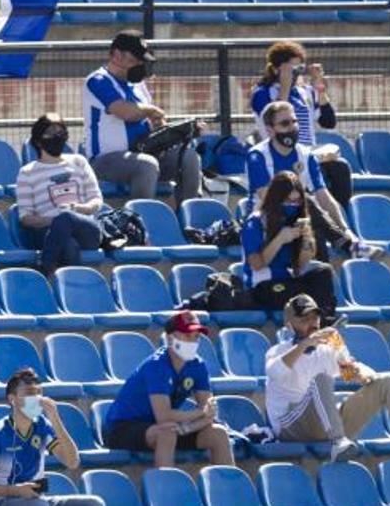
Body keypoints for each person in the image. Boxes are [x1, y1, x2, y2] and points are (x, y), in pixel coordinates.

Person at [265, 294, 390, 462]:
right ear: (289, 325)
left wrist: (360, 373)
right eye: (304, 319)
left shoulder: (326, 349)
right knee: (321, 379)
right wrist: (305, 344)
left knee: (385, 382)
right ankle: (338, 441)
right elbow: (275, 372)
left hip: (324, 424)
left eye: (315, 317)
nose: (312, 323)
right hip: (291, 428)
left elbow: (349, 373)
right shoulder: (278, 351)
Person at [248, 101, 379, 262]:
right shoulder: (257, 156)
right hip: (265, 220)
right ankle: (347, 245)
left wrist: (346, 229)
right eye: (285, 124)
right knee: (306, 201)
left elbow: (324, 196)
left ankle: (341, 248)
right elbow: (267, 197)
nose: (292, 127)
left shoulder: (305, 154)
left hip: (298, 219)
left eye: (294, 121)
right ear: (270, 130)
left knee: (314, 231)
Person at [103, 312, 234, 468]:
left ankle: (231, 490)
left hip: (163, 427)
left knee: (218, 434)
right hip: (122, 428)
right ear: (171, 338)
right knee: (167, 432)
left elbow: (210, 415)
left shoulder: (197, 365)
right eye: (187, 335)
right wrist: (200, 413)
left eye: (196, 337)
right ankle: (166, 488)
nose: (193, 341)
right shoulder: (156, 365)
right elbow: (164, 417)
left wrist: (187, 428)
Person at [82, 30, 201, 203]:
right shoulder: (97, 80)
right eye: (135, 59)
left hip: (145, 152)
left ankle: (189, 219)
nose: (139, 63)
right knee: (146, 165)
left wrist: (173, 130)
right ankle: (142, 222)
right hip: (105, 160)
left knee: (188, 157)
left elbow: (153, 121)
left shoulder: (138, 85)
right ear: (117, 55)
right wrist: (152, 111)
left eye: (141, 59)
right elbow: (125, 112)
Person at [250, 41, 353, 209]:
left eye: (299, 69)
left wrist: (319, 87)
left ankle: (340, 219)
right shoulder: (263, 93)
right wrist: (284, 86)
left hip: (306, 152)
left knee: (339, 167)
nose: (296, 74)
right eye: (292, 69)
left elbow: (329, 122)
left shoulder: (304, 92)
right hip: (278, 152)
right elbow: (274, 116)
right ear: (277, 69)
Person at [0, 369, 101, 506]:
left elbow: (72, 462)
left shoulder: (42, 425)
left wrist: (55, 419)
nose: (37, 399)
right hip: (3, 501)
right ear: (12, 399)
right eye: (30, 394)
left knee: (93, 503)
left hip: (37, 500)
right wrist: (17, 490)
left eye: (39, 393)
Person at [241, 171, 339, 320]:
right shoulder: (255, 222)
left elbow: (300, 265)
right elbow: (257, 264)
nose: (292, 206)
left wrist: (306, 240)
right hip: (263, 287)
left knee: (323, 271)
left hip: (287, 282)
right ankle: (320, 323)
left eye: (297, 202)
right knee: (302, 294)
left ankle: (326, 319)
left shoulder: (293, 220)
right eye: (288, 201)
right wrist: (280, 239)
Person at [15, 113, 104, 276]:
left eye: (61, 131)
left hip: (85, 228)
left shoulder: (79, 162)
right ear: (38, 141)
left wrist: (79, 209)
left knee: (67, 217)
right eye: (50, 132)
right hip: (48, 232)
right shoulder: (27, 173)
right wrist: (55, 221)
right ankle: (75, 293)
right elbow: (25, 218)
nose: (57, 136)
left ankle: (45, 266)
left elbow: (96, 200)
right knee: (68, 245)